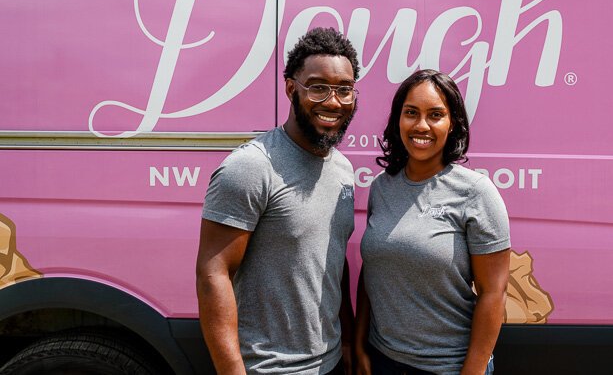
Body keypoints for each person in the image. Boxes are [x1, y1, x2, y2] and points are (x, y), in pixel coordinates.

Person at [196, 27, 360, 375]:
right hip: (268, 368)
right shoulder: (251, 167)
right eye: (318, 87)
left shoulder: (343, 170)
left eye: (344, 90)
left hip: (329, 364)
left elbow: (332, 262)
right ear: (291, 88)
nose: (333, 101)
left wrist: (345, 341)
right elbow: (214, 274)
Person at [355, 69, 511, 375]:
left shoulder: (476, 192)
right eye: (411, 113)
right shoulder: (382, 187)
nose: (421, 125)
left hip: (447, 366)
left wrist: (473, 371)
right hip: (382, 359)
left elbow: (494, 293)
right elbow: (372, 271)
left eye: (435, 115)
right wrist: (359, 344)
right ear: (397, 120)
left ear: (453, 124)